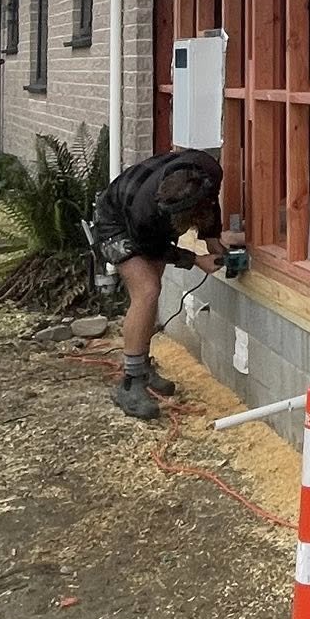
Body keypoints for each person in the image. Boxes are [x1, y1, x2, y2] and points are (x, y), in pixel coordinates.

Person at [92, 149, 229, 420]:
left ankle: (142, 366)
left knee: (152, 289)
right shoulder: (146, 210)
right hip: (115, 222)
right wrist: (196, 259)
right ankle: (130, 382)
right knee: (147, 291)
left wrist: (212, 239)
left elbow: (211, 203)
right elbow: (153, 249)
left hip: (149, 220)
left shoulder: (208, 169)